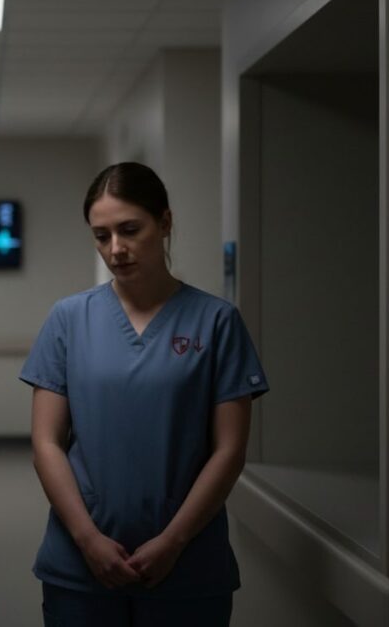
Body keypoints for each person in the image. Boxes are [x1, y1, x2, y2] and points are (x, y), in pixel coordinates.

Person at [20, 162, 268, 627]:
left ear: (166, 222)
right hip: (80, 560)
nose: (116, 249)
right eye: (102, 235)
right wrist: (88, 539)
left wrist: (173, 541)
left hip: (188, 560)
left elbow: (230, 450)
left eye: (130, 230)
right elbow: (46, 443)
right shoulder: (68, 319)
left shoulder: (216, 322)